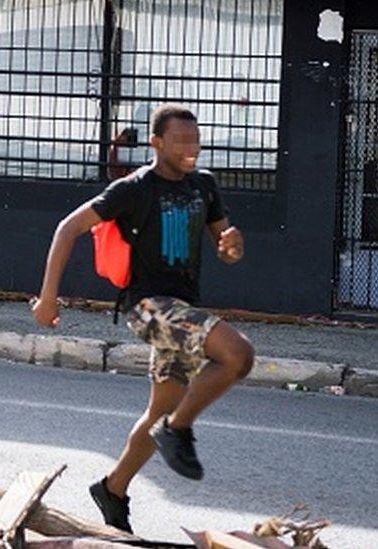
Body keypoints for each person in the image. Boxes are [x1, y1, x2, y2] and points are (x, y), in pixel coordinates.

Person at [32, 104, 254, 534]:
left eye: (196, 139)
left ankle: (112, 489)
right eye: (182, 140)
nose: (192, 148)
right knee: (237, 354)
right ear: (157, 144)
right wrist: (47, 298)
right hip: (148, 307)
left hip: (184, 309)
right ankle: (179, 430)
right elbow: (67, 228)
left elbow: (227, 251)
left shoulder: (203, 186)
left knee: (158, 411)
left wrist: (233, 245)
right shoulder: (134, 188)